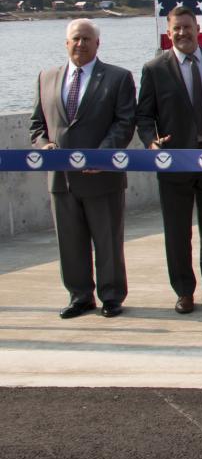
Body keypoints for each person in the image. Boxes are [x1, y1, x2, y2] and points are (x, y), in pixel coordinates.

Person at [136, 6, 202, 314]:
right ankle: (184, 291)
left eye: (187, 27)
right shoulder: (154, 69)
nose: (182, 33)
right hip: (175, 160)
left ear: (198, 28)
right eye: (176, 29)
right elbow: (144, 115)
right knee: (177, 229)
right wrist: (150, 141)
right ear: (168, 33)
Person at [30, 19, 136, 318]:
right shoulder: (46, 77)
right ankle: (80, 296)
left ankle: (112, 296)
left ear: (97, 43)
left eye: (87, 39)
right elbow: (37, 125)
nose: (81, 44)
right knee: (70, 243)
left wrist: (101, 156)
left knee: (108, 242)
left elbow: (124, 122)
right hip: (61, 180)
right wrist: (44, 146)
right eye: (76, 39)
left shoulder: (118, 78)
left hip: (102, 177)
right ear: (66, 43)